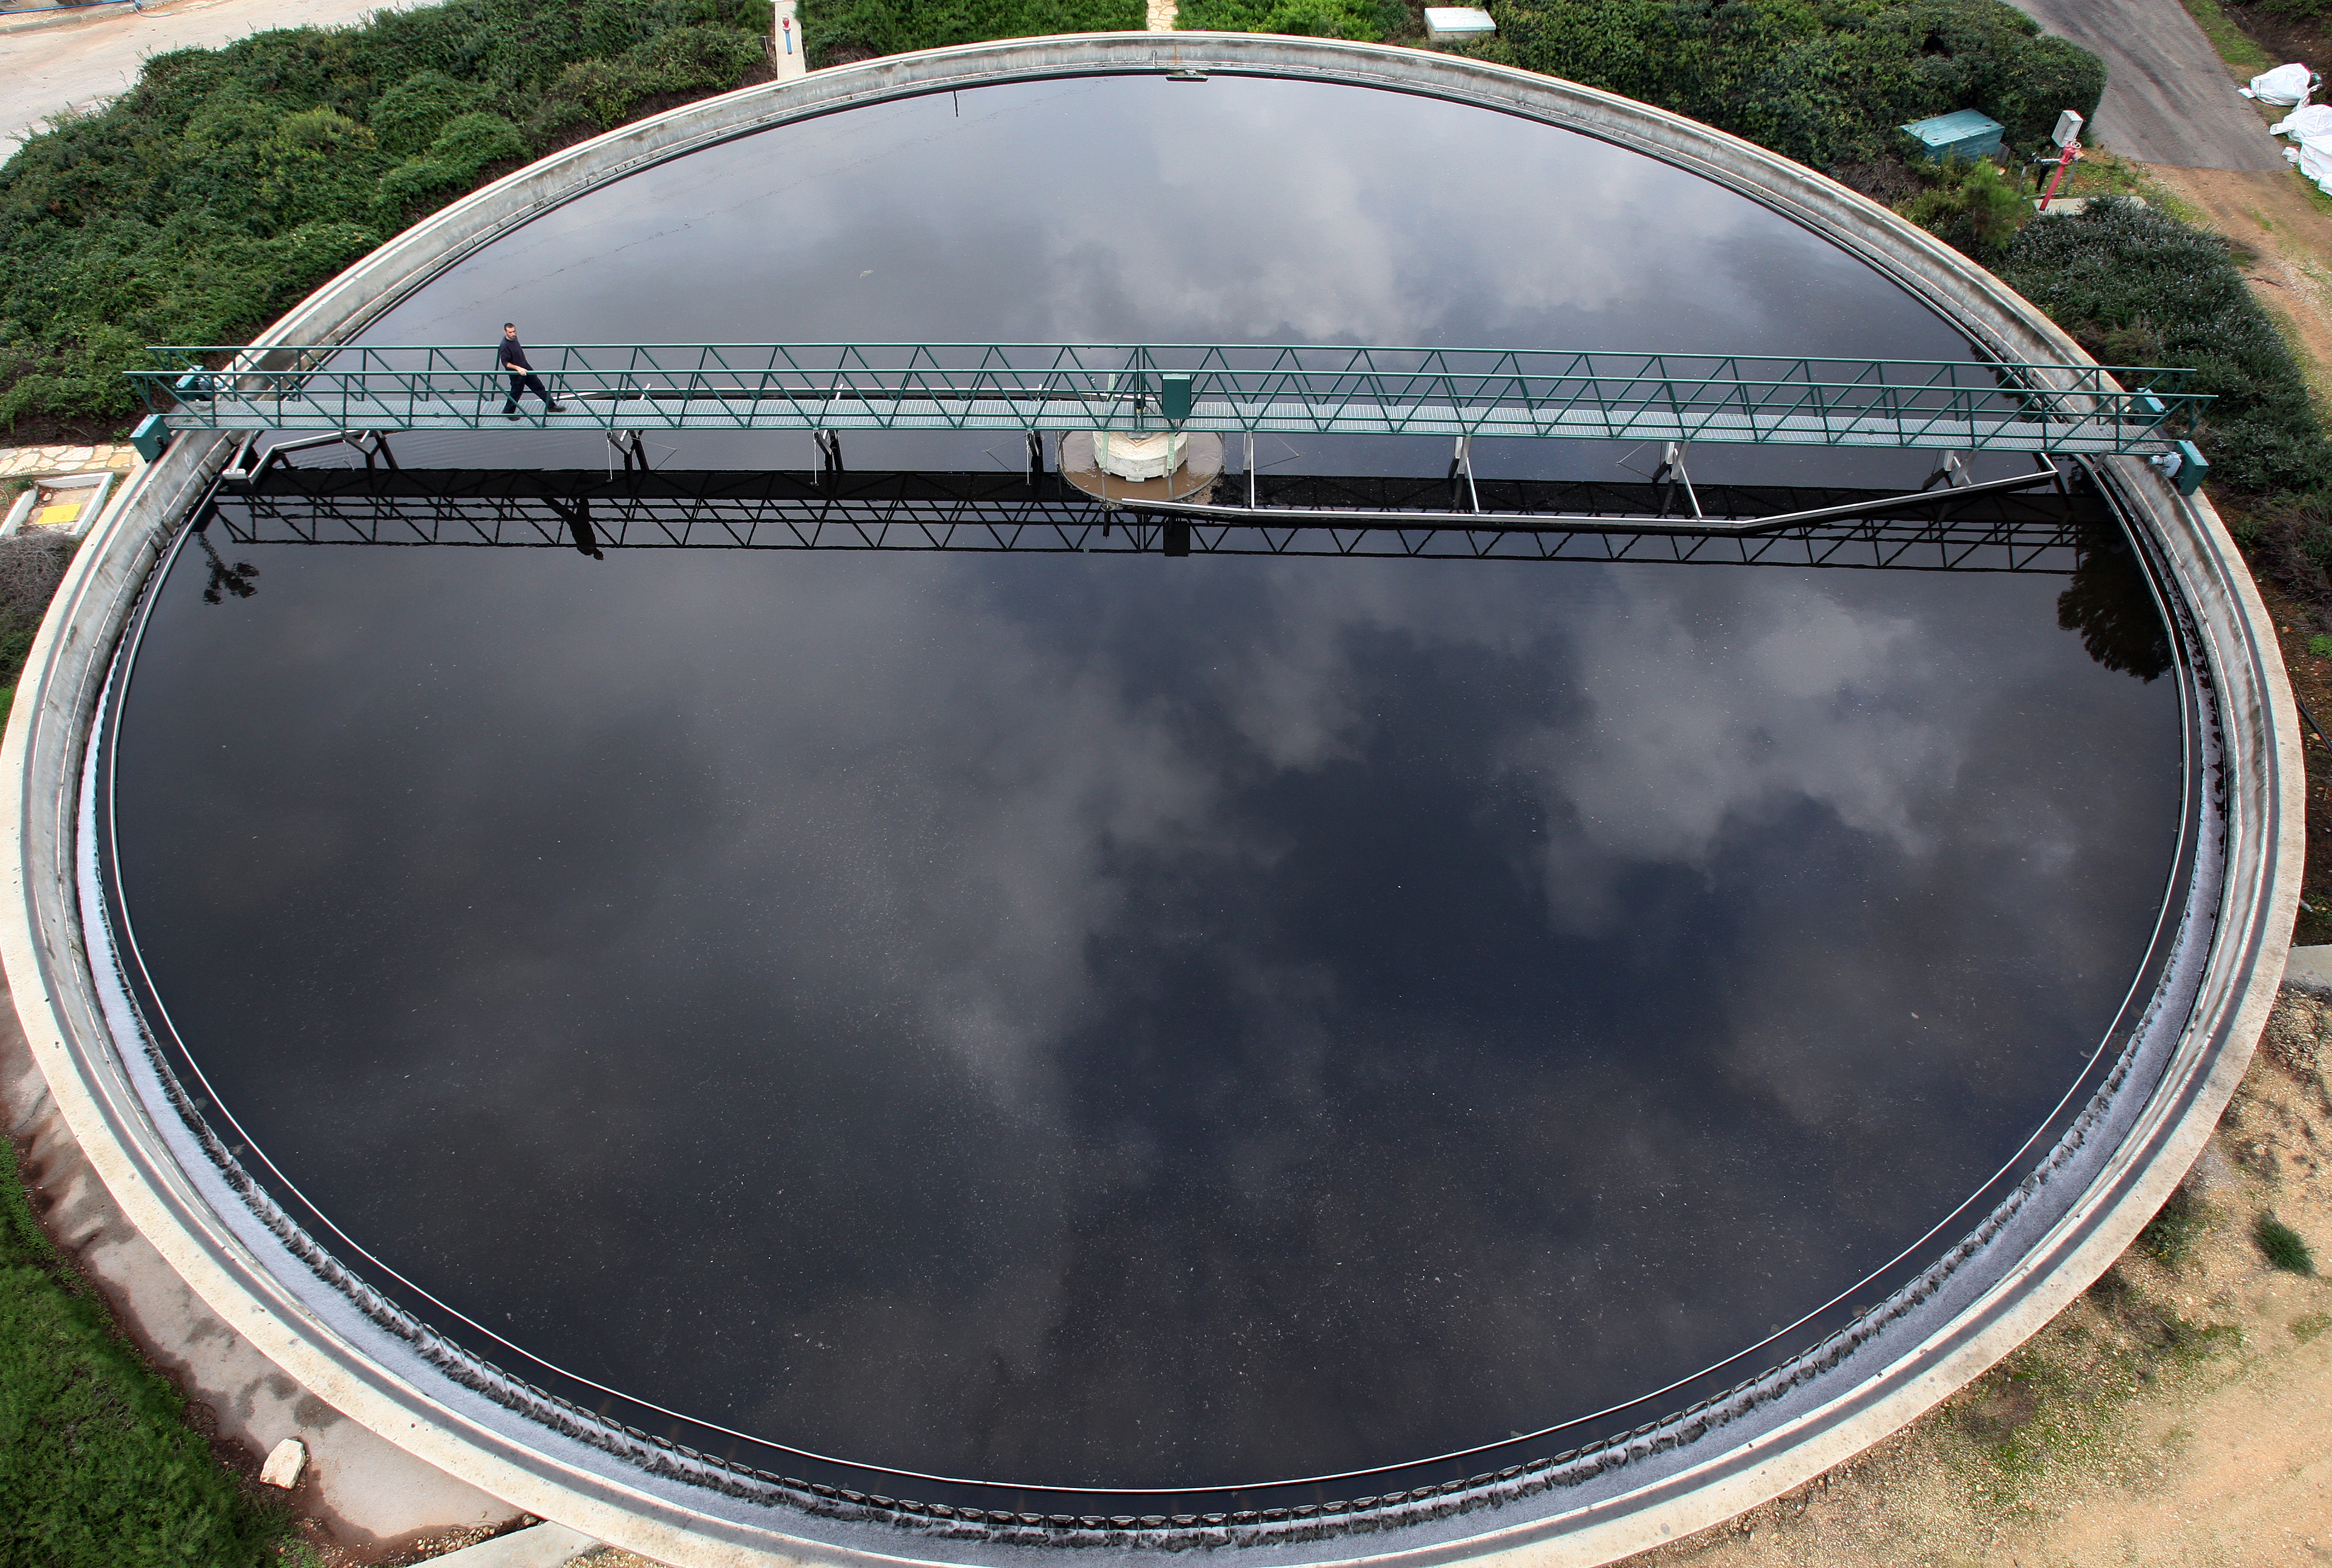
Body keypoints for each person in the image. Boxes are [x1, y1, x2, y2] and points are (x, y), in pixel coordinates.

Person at [497, 323, 563, 418]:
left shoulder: (514, 339)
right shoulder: (504, 345)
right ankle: (508, 412)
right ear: (505, 332)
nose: (513, 334)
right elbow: (505, 363)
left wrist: (524, 366)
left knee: (539, 386)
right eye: (510, 332)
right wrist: (518, 369)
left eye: (514, 331)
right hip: (516, 373)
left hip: (525, 367)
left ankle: (551, 406)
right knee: (516, 392)